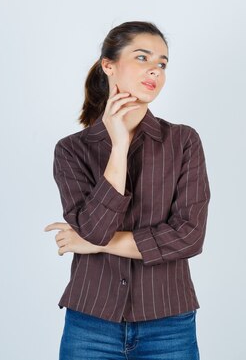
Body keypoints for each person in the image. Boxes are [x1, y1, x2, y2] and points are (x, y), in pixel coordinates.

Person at [44, 21, 211, 360]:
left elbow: (189, 236)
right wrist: (118, 147)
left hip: (169, 323)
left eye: (162, 64)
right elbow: (95, 229)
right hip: (91, 323)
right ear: (109, 65)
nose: (155, 70)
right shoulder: (72, 150)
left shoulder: (183, 141)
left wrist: (91, 244)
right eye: (142, 57)